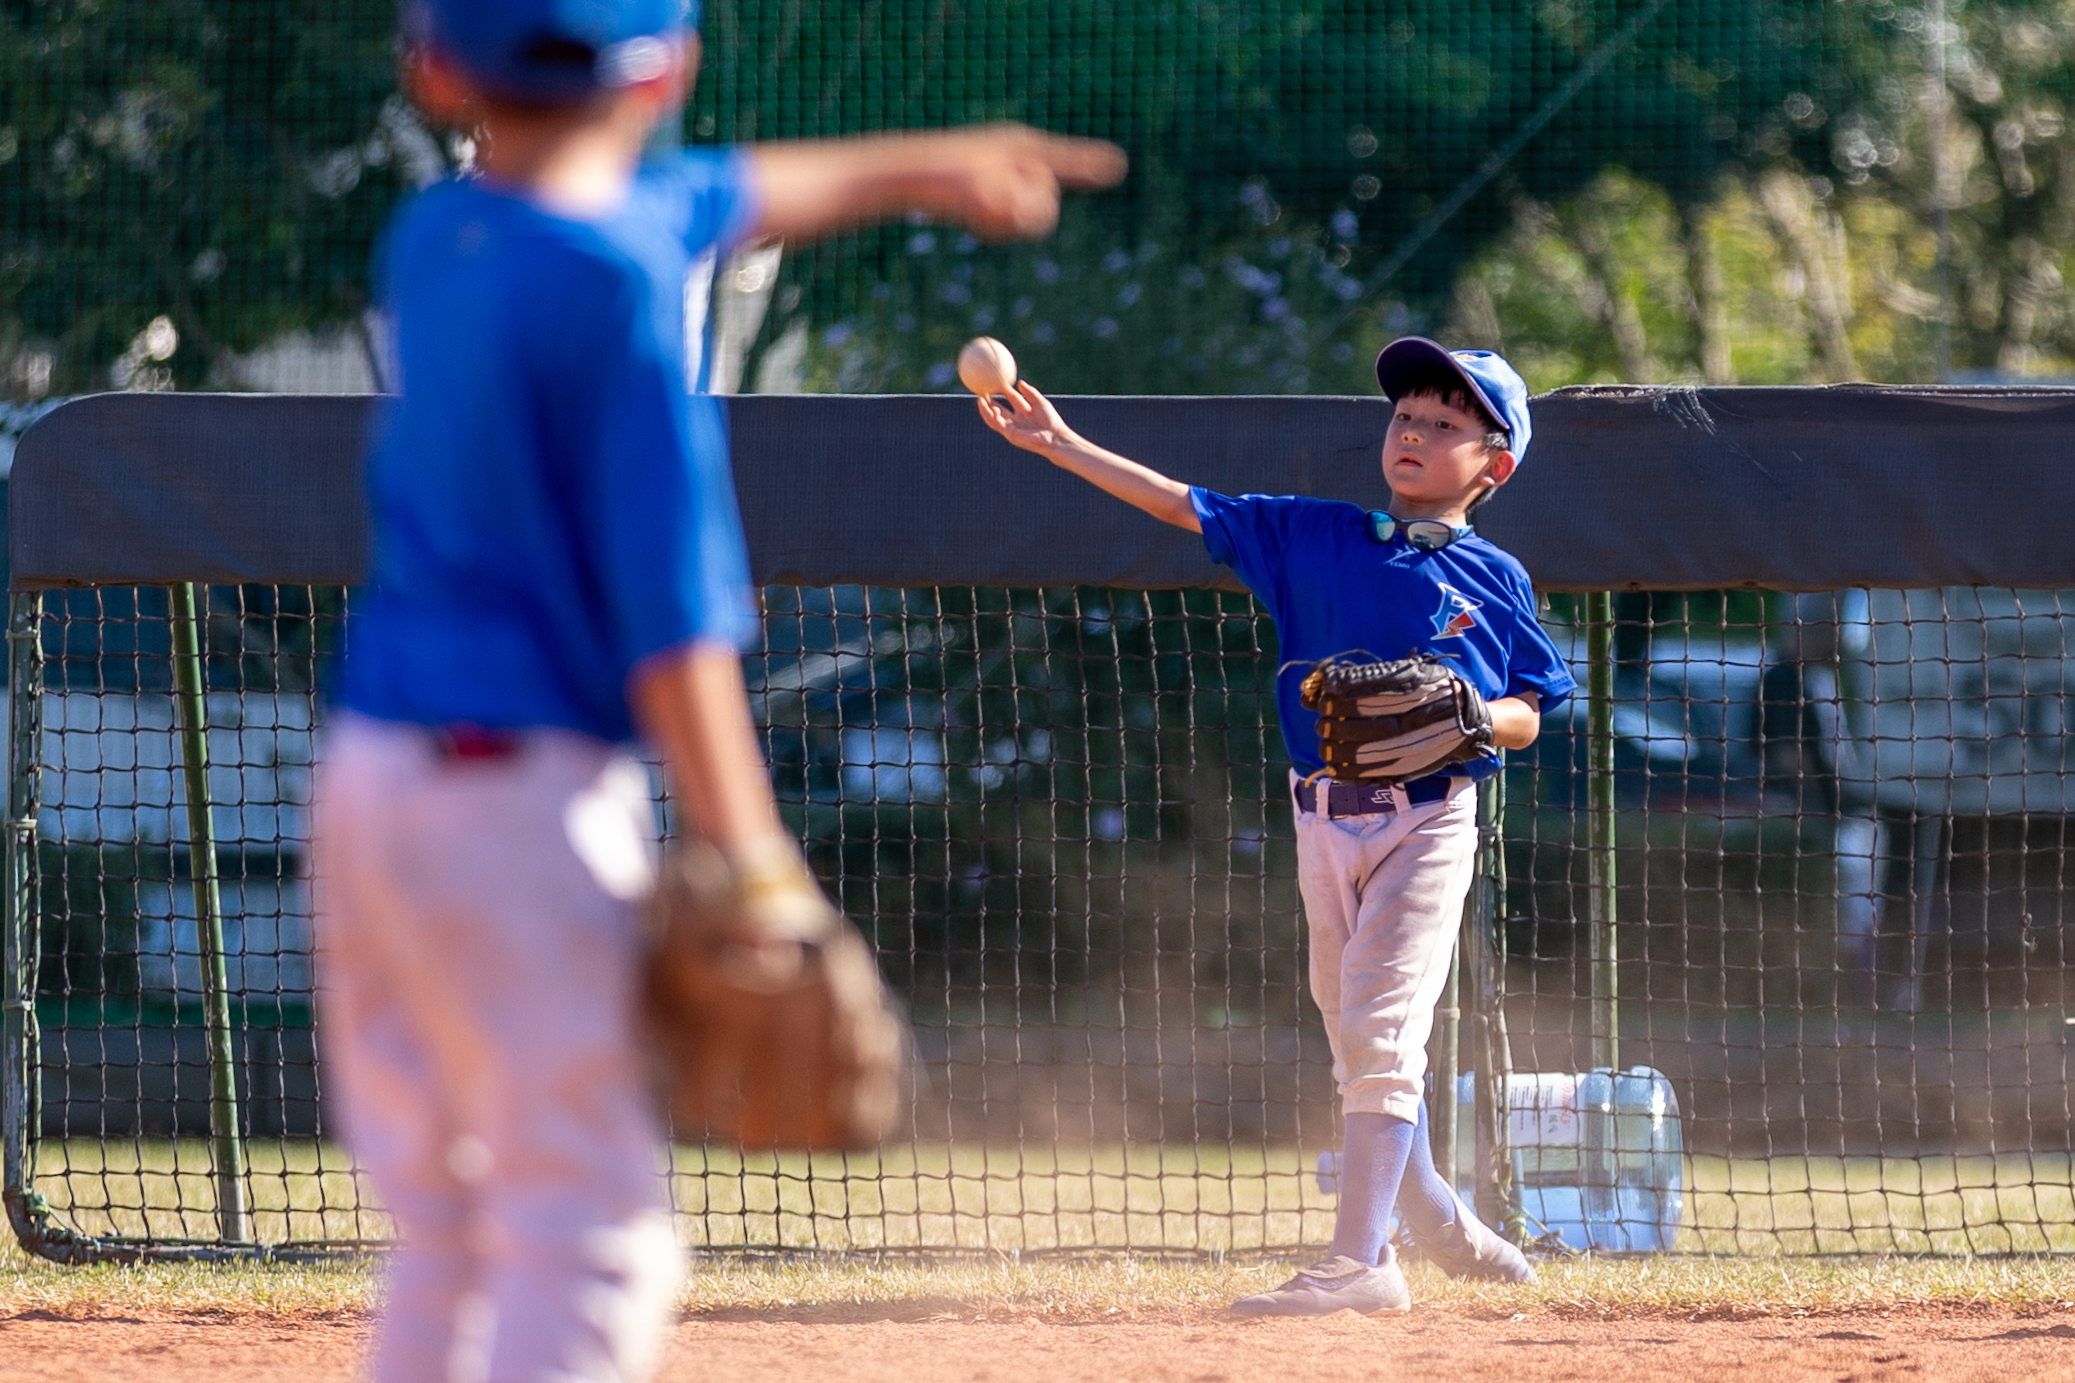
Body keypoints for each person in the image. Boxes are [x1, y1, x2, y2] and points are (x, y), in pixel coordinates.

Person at [313, 2, 1125, 1378]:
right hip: (517, 797)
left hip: (371, 784)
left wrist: (931, 163)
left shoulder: (441, 235)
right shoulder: (619, 288)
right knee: (588, 1240)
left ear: (437, 74)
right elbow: (674, 632)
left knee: (452, 1226)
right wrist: (755, 866)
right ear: (670, 71)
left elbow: (717, 193)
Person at [977, 337, 1574, 1316]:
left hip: (1428, 820)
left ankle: (1360, 1263)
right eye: (1405, 416)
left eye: (1444, 423)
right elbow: (1183, 503)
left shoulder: (1493, 576)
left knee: (1379, 1029)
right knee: (1353, 1036)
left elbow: (1532, 709)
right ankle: (1440, 1222)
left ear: (1493, 465)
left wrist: (1474, 714)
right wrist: (1059, 444)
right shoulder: (1310, 533)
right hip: (1320, 817)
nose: (1413, 432)